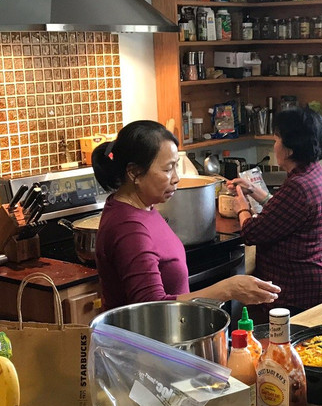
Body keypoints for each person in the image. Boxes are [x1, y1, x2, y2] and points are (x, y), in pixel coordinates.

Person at [91, 120, 281, 311]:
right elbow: (152, 309)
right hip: (144, 340)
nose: (176, 178)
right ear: (134, 173)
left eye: (175, 166)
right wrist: (228, 289)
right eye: (167, 169)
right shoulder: (128, 228)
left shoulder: (144, 208)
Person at [226, 107, 322, 322]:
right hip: (315, 277)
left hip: (295, 289)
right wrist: (254, 191)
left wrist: (241, 205)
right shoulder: (313, 172)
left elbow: (251, 233)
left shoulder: (298, 186)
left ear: (290, 149)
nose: (274, 145)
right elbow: (285, 213)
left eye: (276, 140)